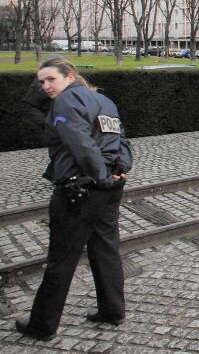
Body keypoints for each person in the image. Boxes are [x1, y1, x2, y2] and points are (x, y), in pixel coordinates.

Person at [15, 58, 131, 341]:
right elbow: (123, 143)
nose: (44, 87)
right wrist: (119, 171)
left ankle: (41, 325)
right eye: (41, 82)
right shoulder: (105, 102)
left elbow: (81, 143)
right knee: (106, 250)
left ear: (69, 76)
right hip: (108, 189)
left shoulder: (66, 102)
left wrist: (102, 175)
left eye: (50, 80)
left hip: (78, 190)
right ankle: (112, 310)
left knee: (60, 260)